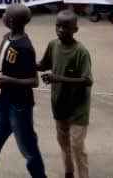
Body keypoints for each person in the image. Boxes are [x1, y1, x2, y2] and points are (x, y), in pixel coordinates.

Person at [0, 3, 45, 178]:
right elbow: (4, 69)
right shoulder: (6, 37)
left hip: (19, 106)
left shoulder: (25, 47)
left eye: (5, 13)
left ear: (11, 21)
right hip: (2, 101)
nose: (3, 14)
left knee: (28, 148)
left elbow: (34, 81)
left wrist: (9, 81)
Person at [37, 10, 92, 178]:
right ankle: (69, 172)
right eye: (58, 26)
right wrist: (22, 63)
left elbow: (87, 80)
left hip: (78, 108)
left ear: (75, 29)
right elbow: (42, 64)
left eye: (66, 27)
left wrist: (58, 78)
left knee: (77, 146)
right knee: (63, 142)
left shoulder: (81, 52)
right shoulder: (53, 45)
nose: (61, 30)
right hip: (59, 105)